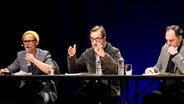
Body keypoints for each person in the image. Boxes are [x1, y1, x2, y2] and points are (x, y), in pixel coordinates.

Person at [67, 25, 123, 104]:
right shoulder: (88, 52)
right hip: (91, 87)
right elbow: (74, 70)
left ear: (104, 38)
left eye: (97, 39)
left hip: (108, 87)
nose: (94, 42)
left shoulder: (114, 51)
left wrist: (104, 56)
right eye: (92, 39)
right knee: (79, 97)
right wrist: (72, 57)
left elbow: (119, 70)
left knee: (94, 95)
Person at [0, 30, 57, 104]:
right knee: (7, 100)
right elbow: (11, 68)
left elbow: (51, 70)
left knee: (36, 101)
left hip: (42, 88)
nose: (27, 44)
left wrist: (34, 60)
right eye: (25, 41)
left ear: (36, 42)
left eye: (30, 41)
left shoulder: (44, 54)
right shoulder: (20, 55)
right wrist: (4, 70)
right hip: (26, 88)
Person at [142, 25, 184, 104]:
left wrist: (175, 55)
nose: (168, 43)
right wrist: (153, 70)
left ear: (180, 38)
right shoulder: (165, 48)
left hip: (180, 89)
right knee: (148, 98)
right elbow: (158, 66)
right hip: (164, 87)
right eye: (166, 40)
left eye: (171, 40)